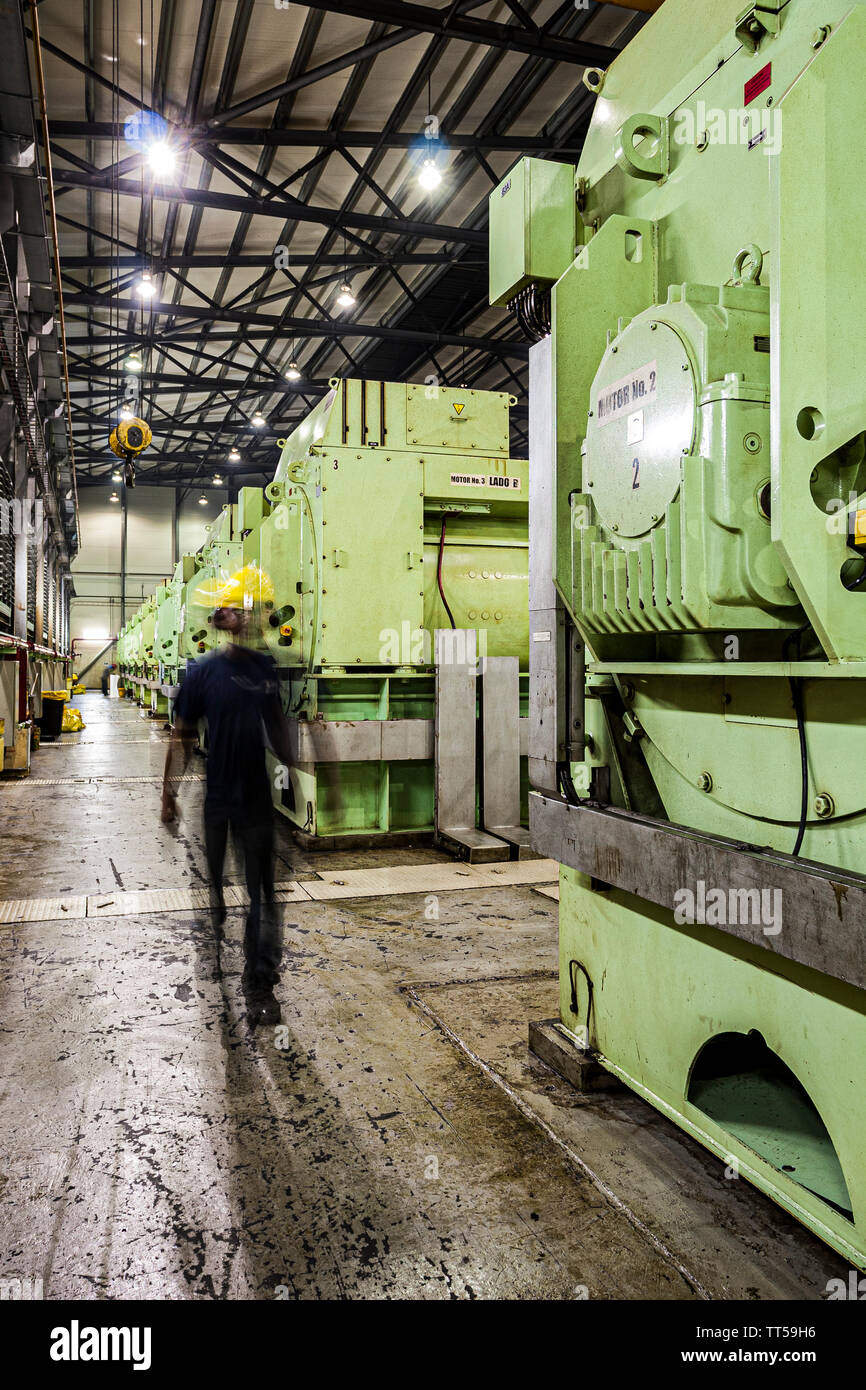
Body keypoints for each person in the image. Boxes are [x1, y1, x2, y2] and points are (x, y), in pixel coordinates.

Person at [160, 567, 291, 1024]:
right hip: (217, 797)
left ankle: (260, 983)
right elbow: (183, 735)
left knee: (262, 894)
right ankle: (214, 928)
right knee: (215, 887)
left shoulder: (265, 668)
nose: (232, 616)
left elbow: (277, 727)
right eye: (226, 610)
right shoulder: (202, 672)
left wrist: (303, 774)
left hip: (256, 797)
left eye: (238, 608)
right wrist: (168, 793)